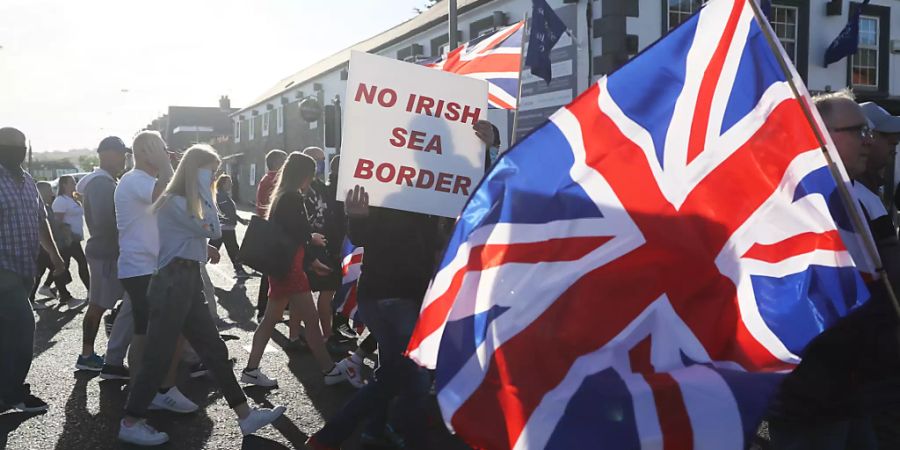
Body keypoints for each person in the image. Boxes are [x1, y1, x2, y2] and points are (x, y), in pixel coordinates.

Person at [308, 123, 497, 449]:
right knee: (412, 375)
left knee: (395, 370)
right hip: (399, 297)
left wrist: (486, 148)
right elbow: (482, 194)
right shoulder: (412, 192)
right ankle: (337, 436)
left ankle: (371, 431)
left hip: (380, 296)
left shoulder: (414, 192)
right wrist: (357, 217)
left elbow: (483, 192)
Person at [119, 144, 284, 446]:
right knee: (158, 354)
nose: (215, 176)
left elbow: (202, 231)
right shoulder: (176, 200)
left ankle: (246, 416)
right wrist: (203, 187)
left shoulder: (182, 199)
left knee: (214, 351)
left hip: (186, 278)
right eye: (211, 170)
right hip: (173, 282)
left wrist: (201, 188)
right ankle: (131, 421)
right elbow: (213, 229)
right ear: (195, 170)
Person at [767, 90, 898, 450]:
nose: (869, 141)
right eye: (858, 131)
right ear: (820, 135)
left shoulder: (860, 199)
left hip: (854, 390)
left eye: (869, 132)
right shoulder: (792, 205)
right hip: (803, 399)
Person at [241, 152, 350, 388]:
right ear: (305, 175)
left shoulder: (282, 195)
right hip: (291, 267)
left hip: (283, 266)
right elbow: (298, 234)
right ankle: (328, 369)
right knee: (311, 321)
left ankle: (251, 369)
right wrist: (313, 247)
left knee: (270, 319)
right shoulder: (293, 198)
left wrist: (310, 254)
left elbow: (289, 233)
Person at [0, 127, 66, 413]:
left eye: (21, 146)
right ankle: (12, 393)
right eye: (10, 146)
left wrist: (54, 253)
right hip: (3, 271)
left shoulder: (27, 181)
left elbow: (41, 220)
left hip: (26, 267)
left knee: (8, 332)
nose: (17, 150)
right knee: (25, 327)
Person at [74, 136, 132, 372]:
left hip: (108, 252)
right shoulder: (101, 183)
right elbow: (105, 220)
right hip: (106, 253)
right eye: (123, 154)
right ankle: (87, 355)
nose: (125, 160)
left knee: (115, 303)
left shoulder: (105, 181)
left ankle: (103, 351)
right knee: (98, 305)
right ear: (110, 154)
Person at [299, 147, 341, 346]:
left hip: (325, 243)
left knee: (326, 289)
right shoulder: (303, 189)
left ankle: (324, 333)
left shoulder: (320, 185)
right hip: (310, 245)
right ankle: (317, 334)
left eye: (323, 160)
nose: (321, 164)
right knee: (307, 291)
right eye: (318, 160)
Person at [255, 149, 287, 321]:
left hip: (269, 227)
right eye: (284, 160)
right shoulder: (275, 179)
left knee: (275, 271)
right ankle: (263, 311)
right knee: (270, 272)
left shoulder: (266, 178)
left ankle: (277, 309)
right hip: (273, 229)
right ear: (277, 163)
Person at [52, 175, 91, 299]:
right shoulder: (61, 201)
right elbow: (57, 222)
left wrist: (82, 200)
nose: (75, 185)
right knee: (81, 262)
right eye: (72, 183)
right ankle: (89, 291)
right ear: (64, 185)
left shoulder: (72, 199)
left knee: (65, 264)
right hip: (68, 239)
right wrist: (67, 236)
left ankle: (52, 287)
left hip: (75, 238)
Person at [210, 174, 250, 277]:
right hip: (224, 228)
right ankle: (239, 270)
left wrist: (241, 221)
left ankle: (198, 266)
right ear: (223, 183)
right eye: (229, 182)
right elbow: (220, 212)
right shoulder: (219, 195)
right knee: (232, 249)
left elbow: (231, 212)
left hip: (226, 227)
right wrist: (225, 221)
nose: (231, 185)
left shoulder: (223, 195)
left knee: (214, 249)